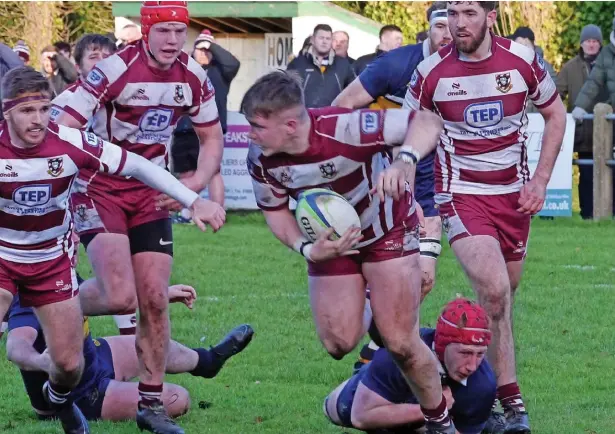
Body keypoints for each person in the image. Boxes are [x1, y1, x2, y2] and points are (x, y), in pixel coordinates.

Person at [0, 66, 224, 434]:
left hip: (52, 266)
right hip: (4, 260)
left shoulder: (69, 141)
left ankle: (60, 401)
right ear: (7, 111)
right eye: (27, 111)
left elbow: (135, 164)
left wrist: (191, 200)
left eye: (44, 108)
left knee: (69, 366)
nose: (38, 119)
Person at [244, 69, 457, 434]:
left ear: (292, 124)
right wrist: (308, 249)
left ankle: (440, 421)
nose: (250, 134)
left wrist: (404, 160)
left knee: (400, 342)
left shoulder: (345, 127)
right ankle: (377, 302)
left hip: (386, 230)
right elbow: (276, 213)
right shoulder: (261, 158)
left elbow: (427, 121)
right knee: (338, 343)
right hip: (332, 245)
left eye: (258, 126)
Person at [55, 2, 225, 432]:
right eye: (163, 30)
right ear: (145, 32)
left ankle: (150, 405)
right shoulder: (113, 69)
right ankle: (43, 298)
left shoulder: (194, 76)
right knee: (120, 295)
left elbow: (211, 141)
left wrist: (196, 183)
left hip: (152, 191)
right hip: (101, 186)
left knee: (152, 298)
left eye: (178, 31)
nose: (172, 40)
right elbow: (67, 123)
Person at [404, 2, 567, 433]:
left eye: (469, 13)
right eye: (452, 13)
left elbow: (555, 114)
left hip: (514, 200)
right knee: (495, 292)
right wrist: (405, 171)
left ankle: (454, 375)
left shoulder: (522, 60)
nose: (459, 23)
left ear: (491, 16)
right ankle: (512, 406)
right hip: (461, 196)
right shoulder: (430, 74)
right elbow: (412, 129)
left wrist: (541, 180)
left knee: (502, 299)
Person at [333, 2, 452, 302]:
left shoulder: (467, 68)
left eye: (453, 26)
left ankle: (385, 344)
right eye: (440, 27)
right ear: (427, 29)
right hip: (385, 176)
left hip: (433, 182)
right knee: (385, 277)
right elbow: (340, 107)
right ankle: (382, 340)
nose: (447, 34)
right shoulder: (395, 65)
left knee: (423, 278)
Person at [6, 281, 253, 423]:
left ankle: (208, 361)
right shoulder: (32, 292)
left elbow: (107, 300)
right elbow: (15, 347)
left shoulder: (63, 274)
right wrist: (42, 362)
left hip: (95, 356)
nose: (75, 240)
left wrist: (161, 293)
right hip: (79, 395)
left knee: (150, 344)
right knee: (178, 399)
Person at [324, 298, 496, 434]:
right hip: (377, 398)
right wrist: (434, 408)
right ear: (443, 344)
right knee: (335, 408)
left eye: (480, 354)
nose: (472, 366)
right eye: (465, 353)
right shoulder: (403, 353)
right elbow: (360, 416)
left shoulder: (483, 384)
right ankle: (366, 365)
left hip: (419, 418)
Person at [171, 28, 241, 212]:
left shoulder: (221, 72)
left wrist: (210, 45)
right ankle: (187, 212)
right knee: (185, 172)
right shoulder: (185, 70)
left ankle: (218, 210)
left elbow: (233, 63)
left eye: (207, 50)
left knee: (212, 171)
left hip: (209, 130)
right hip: (183, 128)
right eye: (200, 49)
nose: (203, 53)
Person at [556, 24, 607, 220]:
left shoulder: (609, 65)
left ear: (600, 44)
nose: (592, 45)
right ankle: (587, 215)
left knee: (609, 175)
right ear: (582, 44)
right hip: (583, 134)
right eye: (588, 41)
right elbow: (556, 93)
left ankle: (608, 214)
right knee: (585, 175)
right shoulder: (570, 68)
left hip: (608, 133)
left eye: (595, 41)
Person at [286, 24, 355, 108]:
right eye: (321, 38)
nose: (324, 41)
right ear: (312, 39)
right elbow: (286, 93)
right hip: (305, 118)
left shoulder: (343, 65)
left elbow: (354, 93)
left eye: (328, 38)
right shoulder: (297, 63)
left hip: (334, 117)